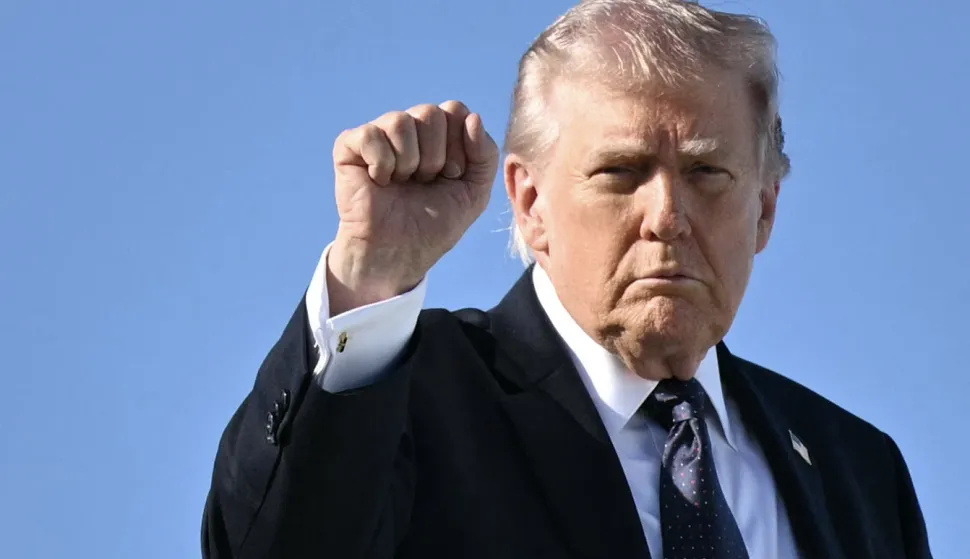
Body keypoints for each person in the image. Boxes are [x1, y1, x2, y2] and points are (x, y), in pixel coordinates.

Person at [202, 1, 933, 557]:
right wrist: (373, 275)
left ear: (766, 208)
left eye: (708, 172)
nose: (667, 216)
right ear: (530, 203)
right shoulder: (408, 395)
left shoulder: (859, 471)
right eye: (621, 172)